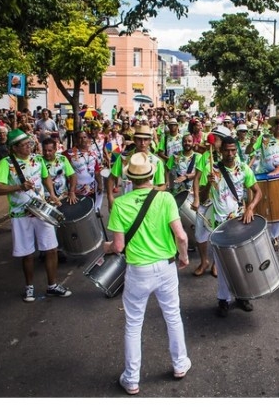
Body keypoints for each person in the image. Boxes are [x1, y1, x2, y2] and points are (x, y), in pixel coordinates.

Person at [104, 152, 192, 395]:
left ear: (130, 179)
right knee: (173, 316)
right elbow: (182, 236)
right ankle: (179, 364)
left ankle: (132, 379)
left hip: (138, 271)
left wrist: (106, 247)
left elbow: (118, 247)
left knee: (134, 324)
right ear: (152, 175)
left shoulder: (120, 204)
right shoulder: (165, 198)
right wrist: (183, 257)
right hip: (165, 266)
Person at [0, 128, 71, 302]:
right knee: (27, 253)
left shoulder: (37, 159)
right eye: (25, 145)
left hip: (41, 210)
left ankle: (52, 286)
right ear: (14, 148)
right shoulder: (6, 163)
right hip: (21, 214)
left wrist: (52, 194)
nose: (29, 147)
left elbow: (46, 177)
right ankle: (29, 288)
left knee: (51, 249)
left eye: (30, 143)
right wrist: (18, 187)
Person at [192, 136, 262, 316]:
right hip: (219, 226)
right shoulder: (211, 169)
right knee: (223, 266)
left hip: (239, 223)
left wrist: (250, 208)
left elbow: (257, 192)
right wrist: (207, 184)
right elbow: (204, 196)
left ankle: (242, 296)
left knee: (242, 262)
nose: (230, 154)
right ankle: (223, 299)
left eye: (233, 150)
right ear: (220, 151)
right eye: (226, 150)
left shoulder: (244, 169)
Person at [246, 112, 279, 252]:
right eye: (277, 123)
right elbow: (249, 151)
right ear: (273, 127)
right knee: (261, 207)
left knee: (278, 209)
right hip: (262, 176)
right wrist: (251, 143)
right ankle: (261, 236)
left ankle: (274, 237)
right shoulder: (264, 139)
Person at [190, 125, 232, 277]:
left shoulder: (231, 159)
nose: (215, 141)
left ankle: (216, 263)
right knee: (200, 234)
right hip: (204, 198)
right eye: (215, 138)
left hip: (220, 201)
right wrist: (195, 198)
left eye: (218, 139)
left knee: (218, 234)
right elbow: (196, 179)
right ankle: (204, 261)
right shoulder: (205, 156)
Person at [107, 125, 167, 209]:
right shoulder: (123, 158)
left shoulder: (156, 162)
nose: (142, 143)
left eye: (145, 139)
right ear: (134, 140)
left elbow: (162, 186)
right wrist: (110, 197)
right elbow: (111, 178)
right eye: (139, 139)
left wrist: (153, 188)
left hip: (146, 207)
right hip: (126, 205)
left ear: (150, 141)